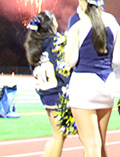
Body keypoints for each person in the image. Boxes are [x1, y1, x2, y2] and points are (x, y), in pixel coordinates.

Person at [65, 0, 120, 157]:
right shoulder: (112, 21)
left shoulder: (77, 23)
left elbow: (70, 61)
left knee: (91, 146)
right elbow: (118, 59)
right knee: (100, 143)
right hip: (107, 86)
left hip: (84, 84)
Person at [24, 11, 69, 157]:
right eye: (54, 20)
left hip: (46, 94)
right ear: (50, 25)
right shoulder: (55, 41)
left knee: (58, 135)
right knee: (59, 136)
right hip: (57, 93)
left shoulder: (35, 45)